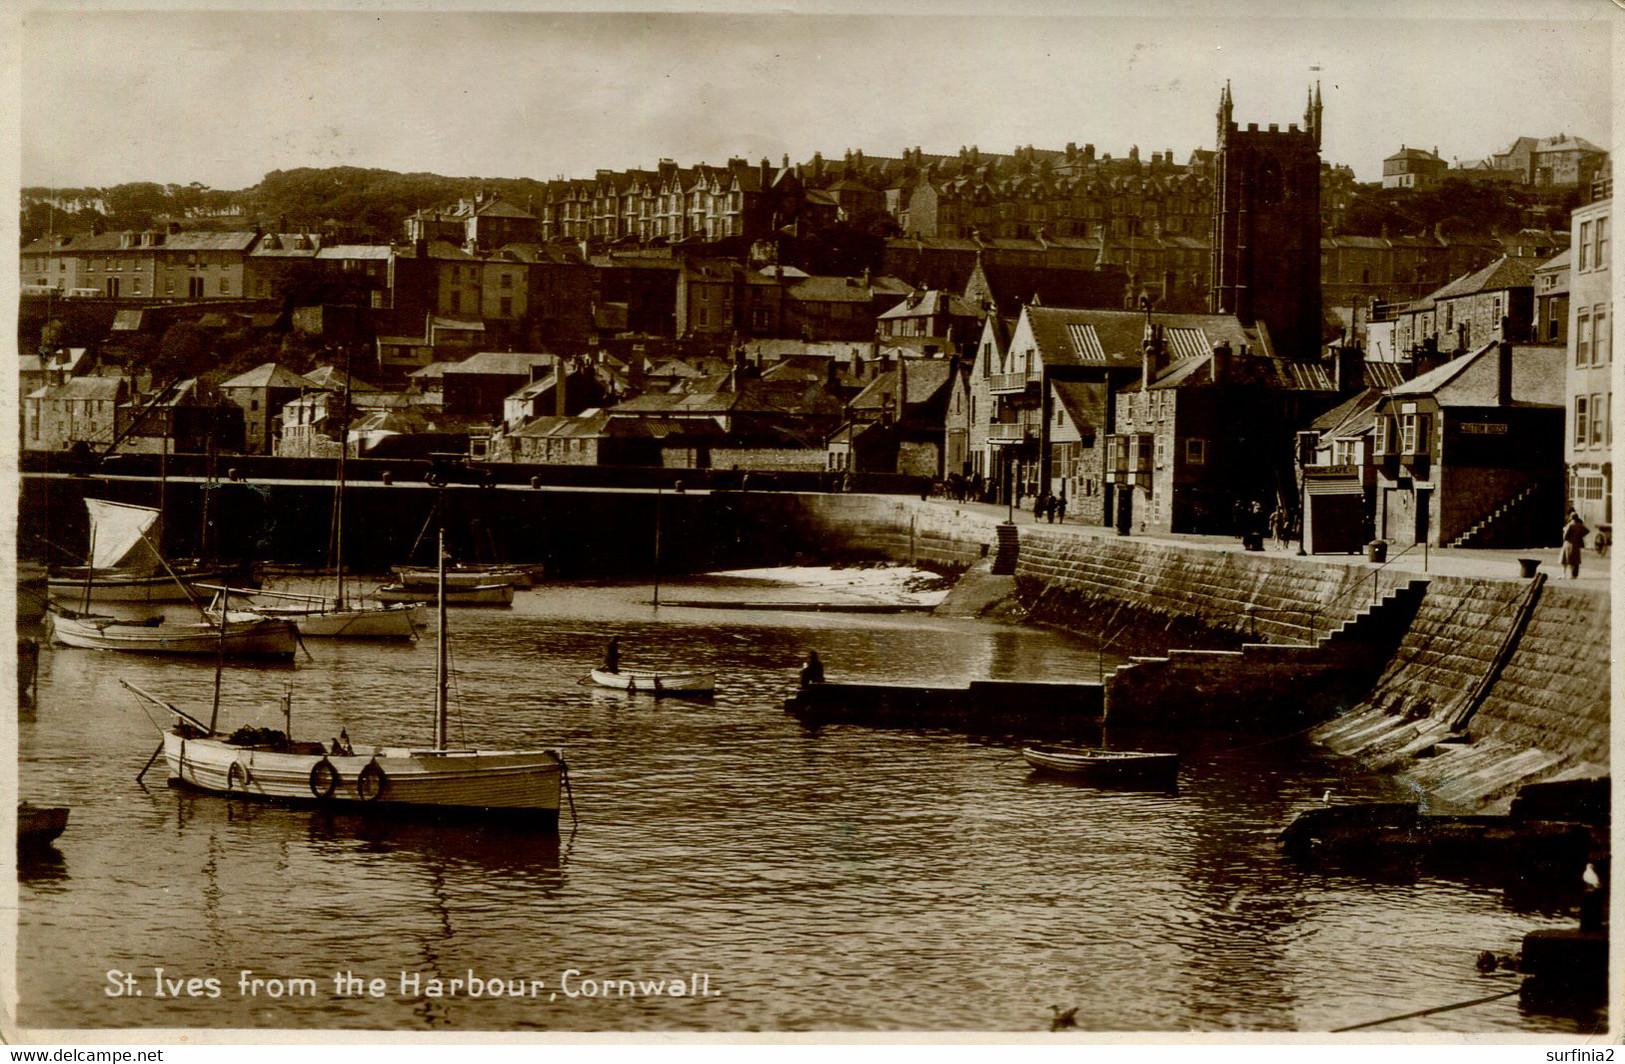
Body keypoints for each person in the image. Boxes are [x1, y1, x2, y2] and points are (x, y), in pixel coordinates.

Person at [1561, 512, 1589, 578]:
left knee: (1564, 560)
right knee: (1573, 561)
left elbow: (1565, 536)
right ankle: (1571, 575)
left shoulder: (1570, 525)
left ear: (1571, 517)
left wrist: (1564, 531)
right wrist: (1580, 535)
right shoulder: (1579, 525)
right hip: (1576, 544)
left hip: (1568, 543)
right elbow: (1587, 531)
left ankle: (1564, 574)